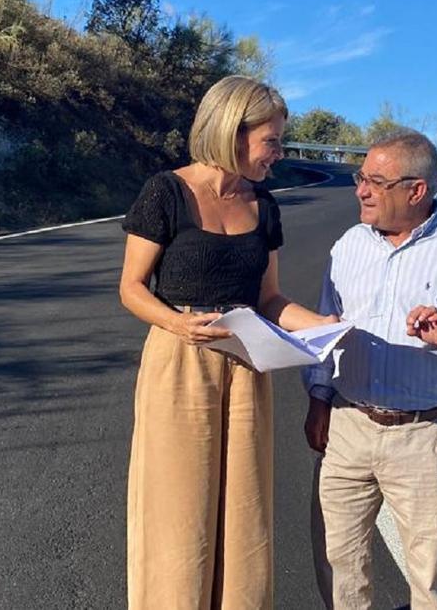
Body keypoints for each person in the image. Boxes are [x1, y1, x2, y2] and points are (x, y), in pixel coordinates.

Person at [119, 75, 334, 610]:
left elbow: (271, 300)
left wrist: (327, 325)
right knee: (178, 509)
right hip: (179, 362)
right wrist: (176, 325)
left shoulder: (264, 206)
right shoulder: (165, 192)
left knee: (243, 509)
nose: (278, 154)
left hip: (246, 367)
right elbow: (130, 288)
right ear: (231, 132)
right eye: (272, 141)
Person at [302, 130, 437, 610]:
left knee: (431, 578)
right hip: (346, 426)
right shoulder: (349, 245)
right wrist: (319, 398)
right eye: (361, 177)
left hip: (426, 437)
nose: (360, 189)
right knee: (337, 562)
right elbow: (325, 326)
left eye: (374, 182)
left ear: (416, 191)